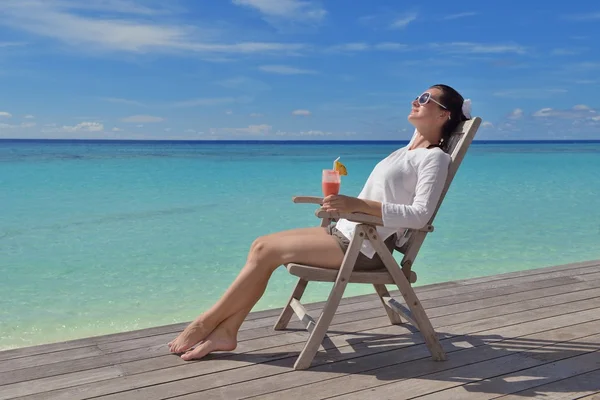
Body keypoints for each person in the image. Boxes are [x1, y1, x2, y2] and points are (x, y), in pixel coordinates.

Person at [168, 84, 472, 361]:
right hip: (347, 232)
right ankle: (226, 332)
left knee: (265, 251)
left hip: (366, 247)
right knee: (259, 245)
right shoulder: (403, 152)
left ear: (443, 114)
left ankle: (205, 323)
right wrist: (345, 206)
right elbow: (382, 197)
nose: (414, 101)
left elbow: (420, 214)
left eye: (424, 99)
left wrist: (356, 204)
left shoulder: (434, 159)